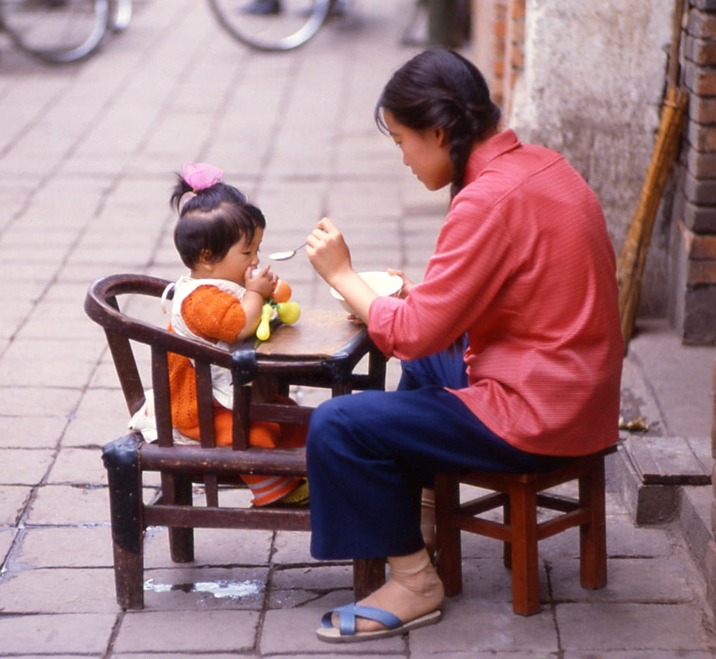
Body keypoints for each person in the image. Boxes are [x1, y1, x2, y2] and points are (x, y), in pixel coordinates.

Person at [303, 49, 624, 642]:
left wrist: (343, 276)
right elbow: (471, 305)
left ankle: (413, 581)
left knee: (339, 423)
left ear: (439, 131)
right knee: (425, 356)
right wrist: (410, 297)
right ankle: (423, 518)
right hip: (583, 396)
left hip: (538, 416)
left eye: (402, 140)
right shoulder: (543, 165)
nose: (402, 157)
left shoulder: (485, 200)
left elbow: (411, 332)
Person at [165, 162, 309, 507]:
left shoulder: (225, 286)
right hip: (200, 410)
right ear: (207, 258)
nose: (255, 260)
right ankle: (277, 494)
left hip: (230, 397)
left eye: (257, 249)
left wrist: (269, 293)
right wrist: (256, 294)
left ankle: (306, 472)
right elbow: (241, 325)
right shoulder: (201, 300)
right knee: (258, 435)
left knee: (295, 418)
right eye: (248, 252)